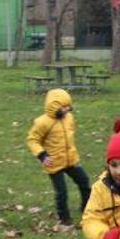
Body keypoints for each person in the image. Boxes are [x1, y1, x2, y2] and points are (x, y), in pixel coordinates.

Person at [26, 88, 91, 226]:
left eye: (68, 106)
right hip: (53, 162)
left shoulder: (69, 118)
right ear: (54, 106)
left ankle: (87, 208)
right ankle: (64, 218)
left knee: (84, 182)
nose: (67, 109)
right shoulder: (42, 122)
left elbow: (69, 133)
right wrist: (41, 154)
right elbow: (32, 139)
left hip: (71, 159)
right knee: (61, 192)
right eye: (64, 106)